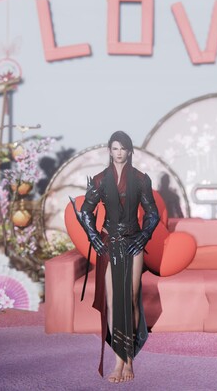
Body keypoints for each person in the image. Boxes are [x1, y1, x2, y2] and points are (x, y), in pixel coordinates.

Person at [71, 131, 159, 383]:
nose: (119, 152)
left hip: (134, 241)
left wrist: (145, 235)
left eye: (123, 148)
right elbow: (85, 212)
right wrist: (93, 236)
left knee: (130, 298)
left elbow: (152, 212)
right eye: (115, 148)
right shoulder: (99, 180)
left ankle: (128, 358)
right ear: (110, 151)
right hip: (109, 243)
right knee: (112, 301)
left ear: (130, 151)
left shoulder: (141, 179)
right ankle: (118, 360)